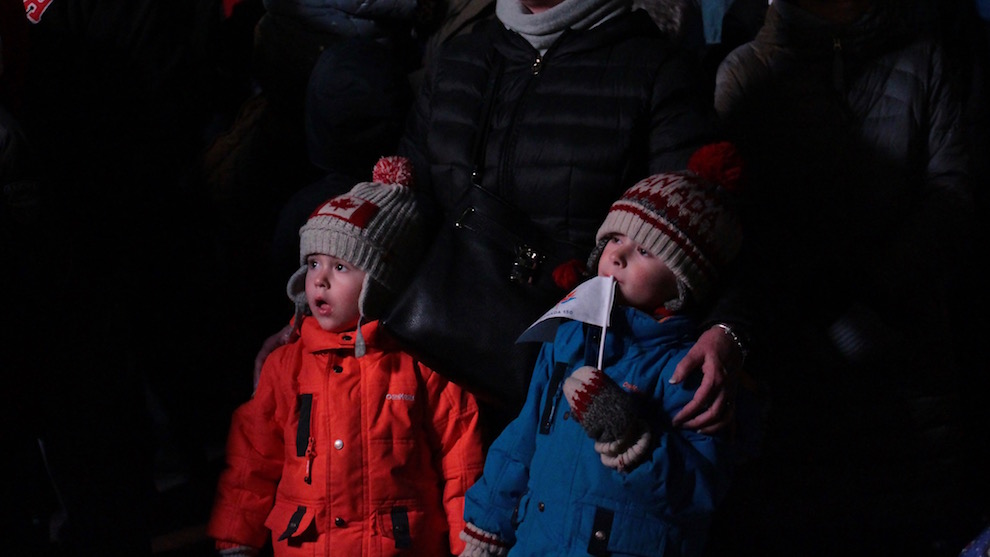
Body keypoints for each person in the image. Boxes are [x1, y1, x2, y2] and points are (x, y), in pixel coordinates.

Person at [707, 0, 982, 554]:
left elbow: (953, 194)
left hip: (907, 355)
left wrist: (876, 292)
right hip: (789, 358)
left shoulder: (924, 58)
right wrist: (818, 304)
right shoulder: (747, 69)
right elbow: (738, 213)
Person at [458, 143, 743, 557]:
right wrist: (489, 524)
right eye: (615, 238)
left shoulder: (690, 369)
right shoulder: (569, 337)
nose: (618, 255)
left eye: (644, 250)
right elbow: (524, 436)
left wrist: (631, 438)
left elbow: (698, 492)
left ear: (684, 281)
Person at [208, 156, 486, 556]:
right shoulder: (287, 365)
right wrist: (237, 539)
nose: (319, 278)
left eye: (340, 266)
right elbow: (253, 460)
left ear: (382, 283)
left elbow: (462, 462)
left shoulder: (421, 365)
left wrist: (469, 543)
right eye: (313, 263)